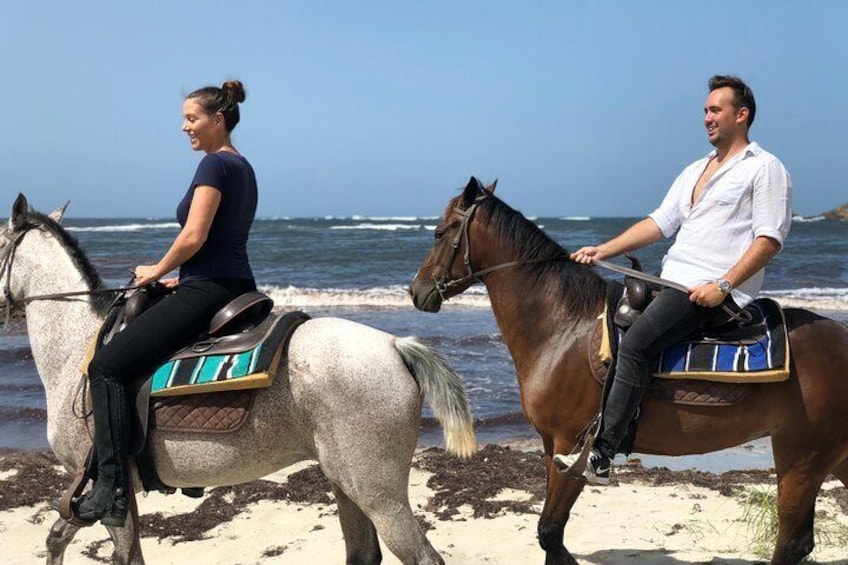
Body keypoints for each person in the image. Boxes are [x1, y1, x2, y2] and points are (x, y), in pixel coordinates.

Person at [553, 75, 792, 485]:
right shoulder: (697, 168)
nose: (706, 118)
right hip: (674, 280)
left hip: (708, 293)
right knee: (607, 320)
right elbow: (660, 222)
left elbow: (769, 239)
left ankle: (604, 453)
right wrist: (603, 250)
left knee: (638, 346)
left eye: (715, 110)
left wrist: (723, 286)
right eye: (705, 111)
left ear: (742, 114)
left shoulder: (765, 168)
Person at [72, 80, 258, 526]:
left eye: (191, 118)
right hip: (230, 283)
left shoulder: (214, 166)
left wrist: (156, 270)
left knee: (107, 367)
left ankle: (112, 487)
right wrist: (180, 277)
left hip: (210, 287)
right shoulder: (243, 166)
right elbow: (220, 239)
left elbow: (194, 235)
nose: (184, 127)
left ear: (217, 120)